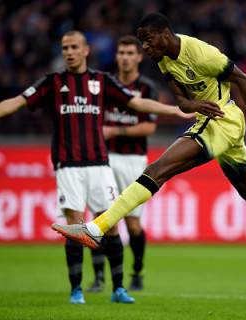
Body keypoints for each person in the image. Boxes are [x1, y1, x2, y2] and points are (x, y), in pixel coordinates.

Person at [51, 13, 246, 252]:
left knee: (158, 170)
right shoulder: (162, 58)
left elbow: (244, 81)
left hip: (224, 119)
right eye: (141, 42)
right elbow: (181, 99)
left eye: (146, 40)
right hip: (213, 120)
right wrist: (193, 102)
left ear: (164, 34)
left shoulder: (200, 53)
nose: (144, 47)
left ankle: (96, 229)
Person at [0, 30, 191, 304]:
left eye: (74, 47)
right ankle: (76, 289)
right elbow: (17, 102)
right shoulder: (53, 83)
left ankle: (118, 288)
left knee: (110, 226)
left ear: (86, 50)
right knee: (76, 227)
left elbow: (136, 102)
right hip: (68, 166)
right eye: (65, 47)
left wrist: (175, 110)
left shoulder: (101, 81)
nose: (68, 52)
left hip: (100, 164)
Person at [88, 35, 157, 292]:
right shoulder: (105, 85)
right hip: (103, 159)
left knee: (133, 224)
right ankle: (98, 278)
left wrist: (115, 131)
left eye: (130, 53)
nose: (125, 57)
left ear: (139, 57)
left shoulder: (147, 88)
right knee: (100, 217)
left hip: (133, 161)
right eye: (121, 52)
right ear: (116, 56)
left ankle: (137, 272)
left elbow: (149, 125)